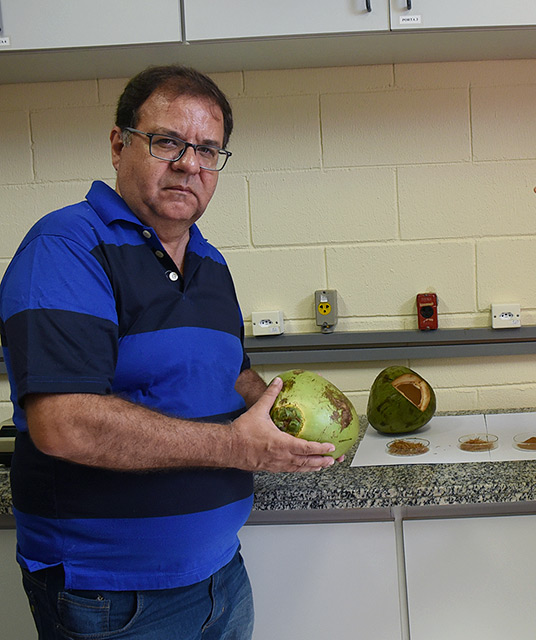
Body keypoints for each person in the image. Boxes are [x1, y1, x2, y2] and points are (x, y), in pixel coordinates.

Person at [0, 65, 342, 639]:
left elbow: (231, 375)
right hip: (112, 598)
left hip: (220, 577)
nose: (190, 164)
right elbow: (65, 424)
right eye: (167, 142)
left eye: (208, 150)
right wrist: (235, 446)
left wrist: (295, 412)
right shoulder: (66, 247)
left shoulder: (210, 263)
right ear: (118, 145)